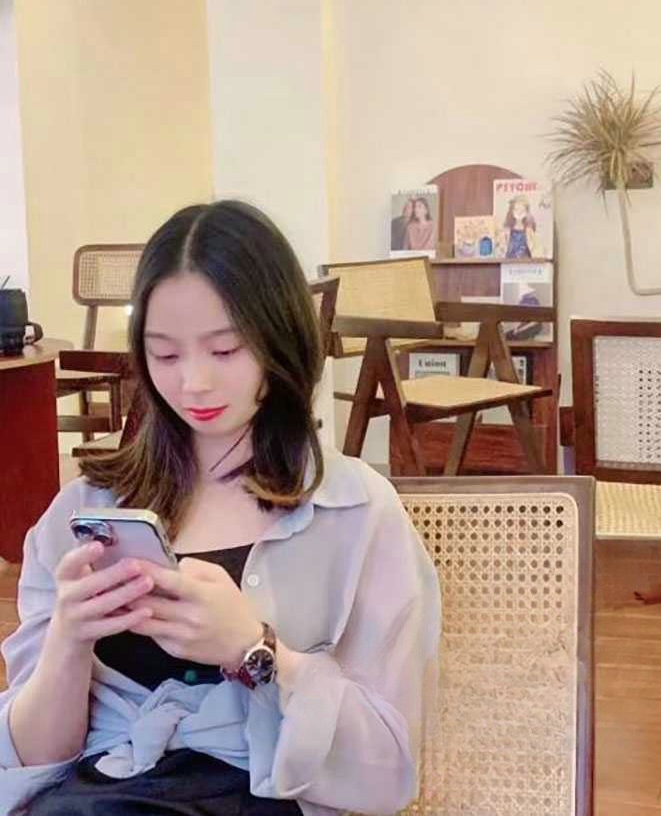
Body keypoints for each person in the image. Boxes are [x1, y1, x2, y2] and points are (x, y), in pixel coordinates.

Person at [0, 200, 441, 816]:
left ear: (280, 340)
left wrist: (254, 650)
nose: (194, 383)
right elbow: (33, 760)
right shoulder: (86, 509)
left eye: (226, 350)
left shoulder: (357, 513)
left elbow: (386, 773)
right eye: (166, 355)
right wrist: (68, 641)